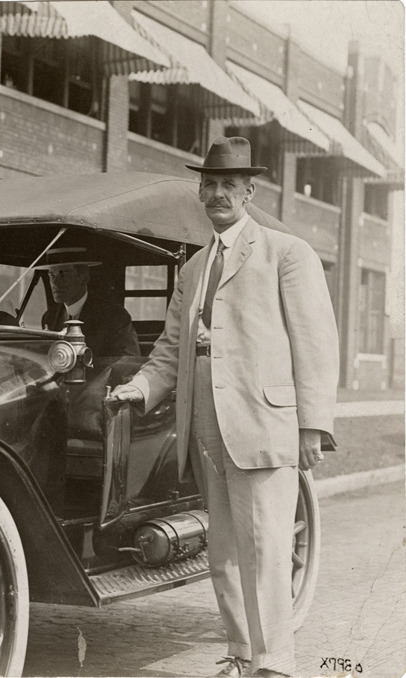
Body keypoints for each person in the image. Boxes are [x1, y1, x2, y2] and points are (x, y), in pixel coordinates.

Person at [110, 137, 339, 678]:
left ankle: (274, 663)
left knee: (265, 545)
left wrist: (313, 426)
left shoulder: (287, 253)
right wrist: (139, 388)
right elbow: (171, 350)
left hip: (264, 421)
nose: (218, 194)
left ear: (249, 192)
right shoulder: (193, 269)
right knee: (224, 552)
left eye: (229, 186)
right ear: (200, 191)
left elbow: (315, 343)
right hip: (206, 426)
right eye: (209, 184)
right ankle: (240, 654)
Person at [37, 248, 140, 357]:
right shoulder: (49, 317)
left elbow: (128, 361)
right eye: (52, 275)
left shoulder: (115, 316)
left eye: (64, 274)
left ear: (84, 277)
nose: (55, 283)